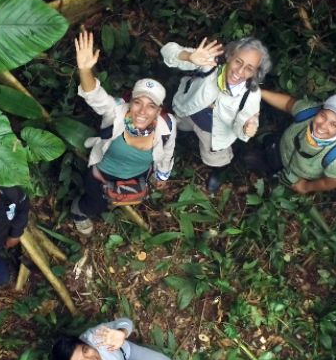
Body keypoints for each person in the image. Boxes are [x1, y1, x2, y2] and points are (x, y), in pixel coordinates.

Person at [70, 31, 177, 235]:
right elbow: (94, 95)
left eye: (151, 105)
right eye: (138, 102)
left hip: (137, 177)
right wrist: (85, 70)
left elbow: (168, 149)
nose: (143, 111)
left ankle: (112, 199)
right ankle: (79, 212)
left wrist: (163, 174)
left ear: (158, 109)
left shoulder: (167, 125)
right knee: (96, 206)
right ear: (130, 102)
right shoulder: (116, 112)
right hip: (101, 176)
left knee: (122, 197)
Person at [161, 36, 272, 193]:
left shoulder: (251, 94)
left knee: (216, 159)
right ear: (230, 55)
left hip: (213, 133)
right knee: (178, 128)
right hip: (187, 112)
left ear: (255, 73)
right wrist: (189, 57)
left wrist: (248, 127)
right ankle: (181, 139)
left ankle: (218, 172)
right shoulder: (209, 63)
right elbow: (167, 50)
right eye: (238, 62)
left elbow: (244, 122)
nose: (239, 72)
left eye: (249, 68)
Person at [246, 90, 336, 194]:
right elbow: (288, 103)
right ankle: (265, 139)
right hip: (281, 146)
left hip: (295, 175)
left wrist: (305, 187)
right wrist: (259, 92)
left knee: (250, 160)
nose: (323, 126)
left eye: (333, 124)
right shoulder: (309, 111)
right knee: (252, 154)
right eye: (323, 116)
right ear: (319, 110)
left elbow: (332, 182)